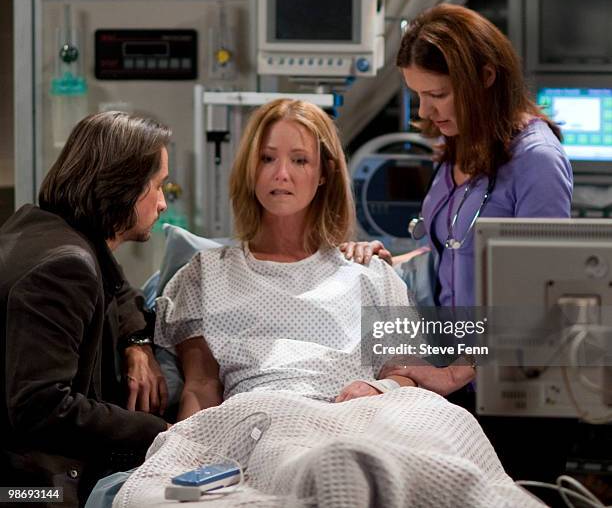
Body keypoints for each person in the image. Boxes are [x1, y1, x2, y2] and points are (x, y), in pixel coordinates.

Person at [155, 98, 474, 422]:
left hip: (360, 422)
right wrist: (189, 456)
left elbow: (407, 376)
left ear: (325, 172)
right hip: (258, 424)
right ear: (250, 169)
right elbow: (201, 388)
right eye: (267, 159)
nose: (281, 174)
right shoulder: (206, 275)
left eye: (299, 160)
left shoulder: (370, 274)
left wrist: (381, 389)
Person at [342, 3, 573, 308]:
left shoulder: (537, 160)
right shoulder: (458, 142)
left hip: (494, 352)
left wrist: (473, 357)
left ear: (486, 77)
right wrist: (389, 264)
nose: (425, 110)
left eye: (437, 95)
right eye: (418, 95)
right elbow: (450, 254)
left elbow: (542, 290)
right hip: (445, 341)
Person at [0, 111, 171, 505]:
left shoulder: (43, 228)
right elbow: (42, 408)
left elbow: (118, 287)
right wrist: (160, 430)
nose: (162, 203)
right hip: (24, 488)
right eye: (158, 186)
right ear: (124, 185)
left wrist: (137, 343)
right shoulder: (64, 268)